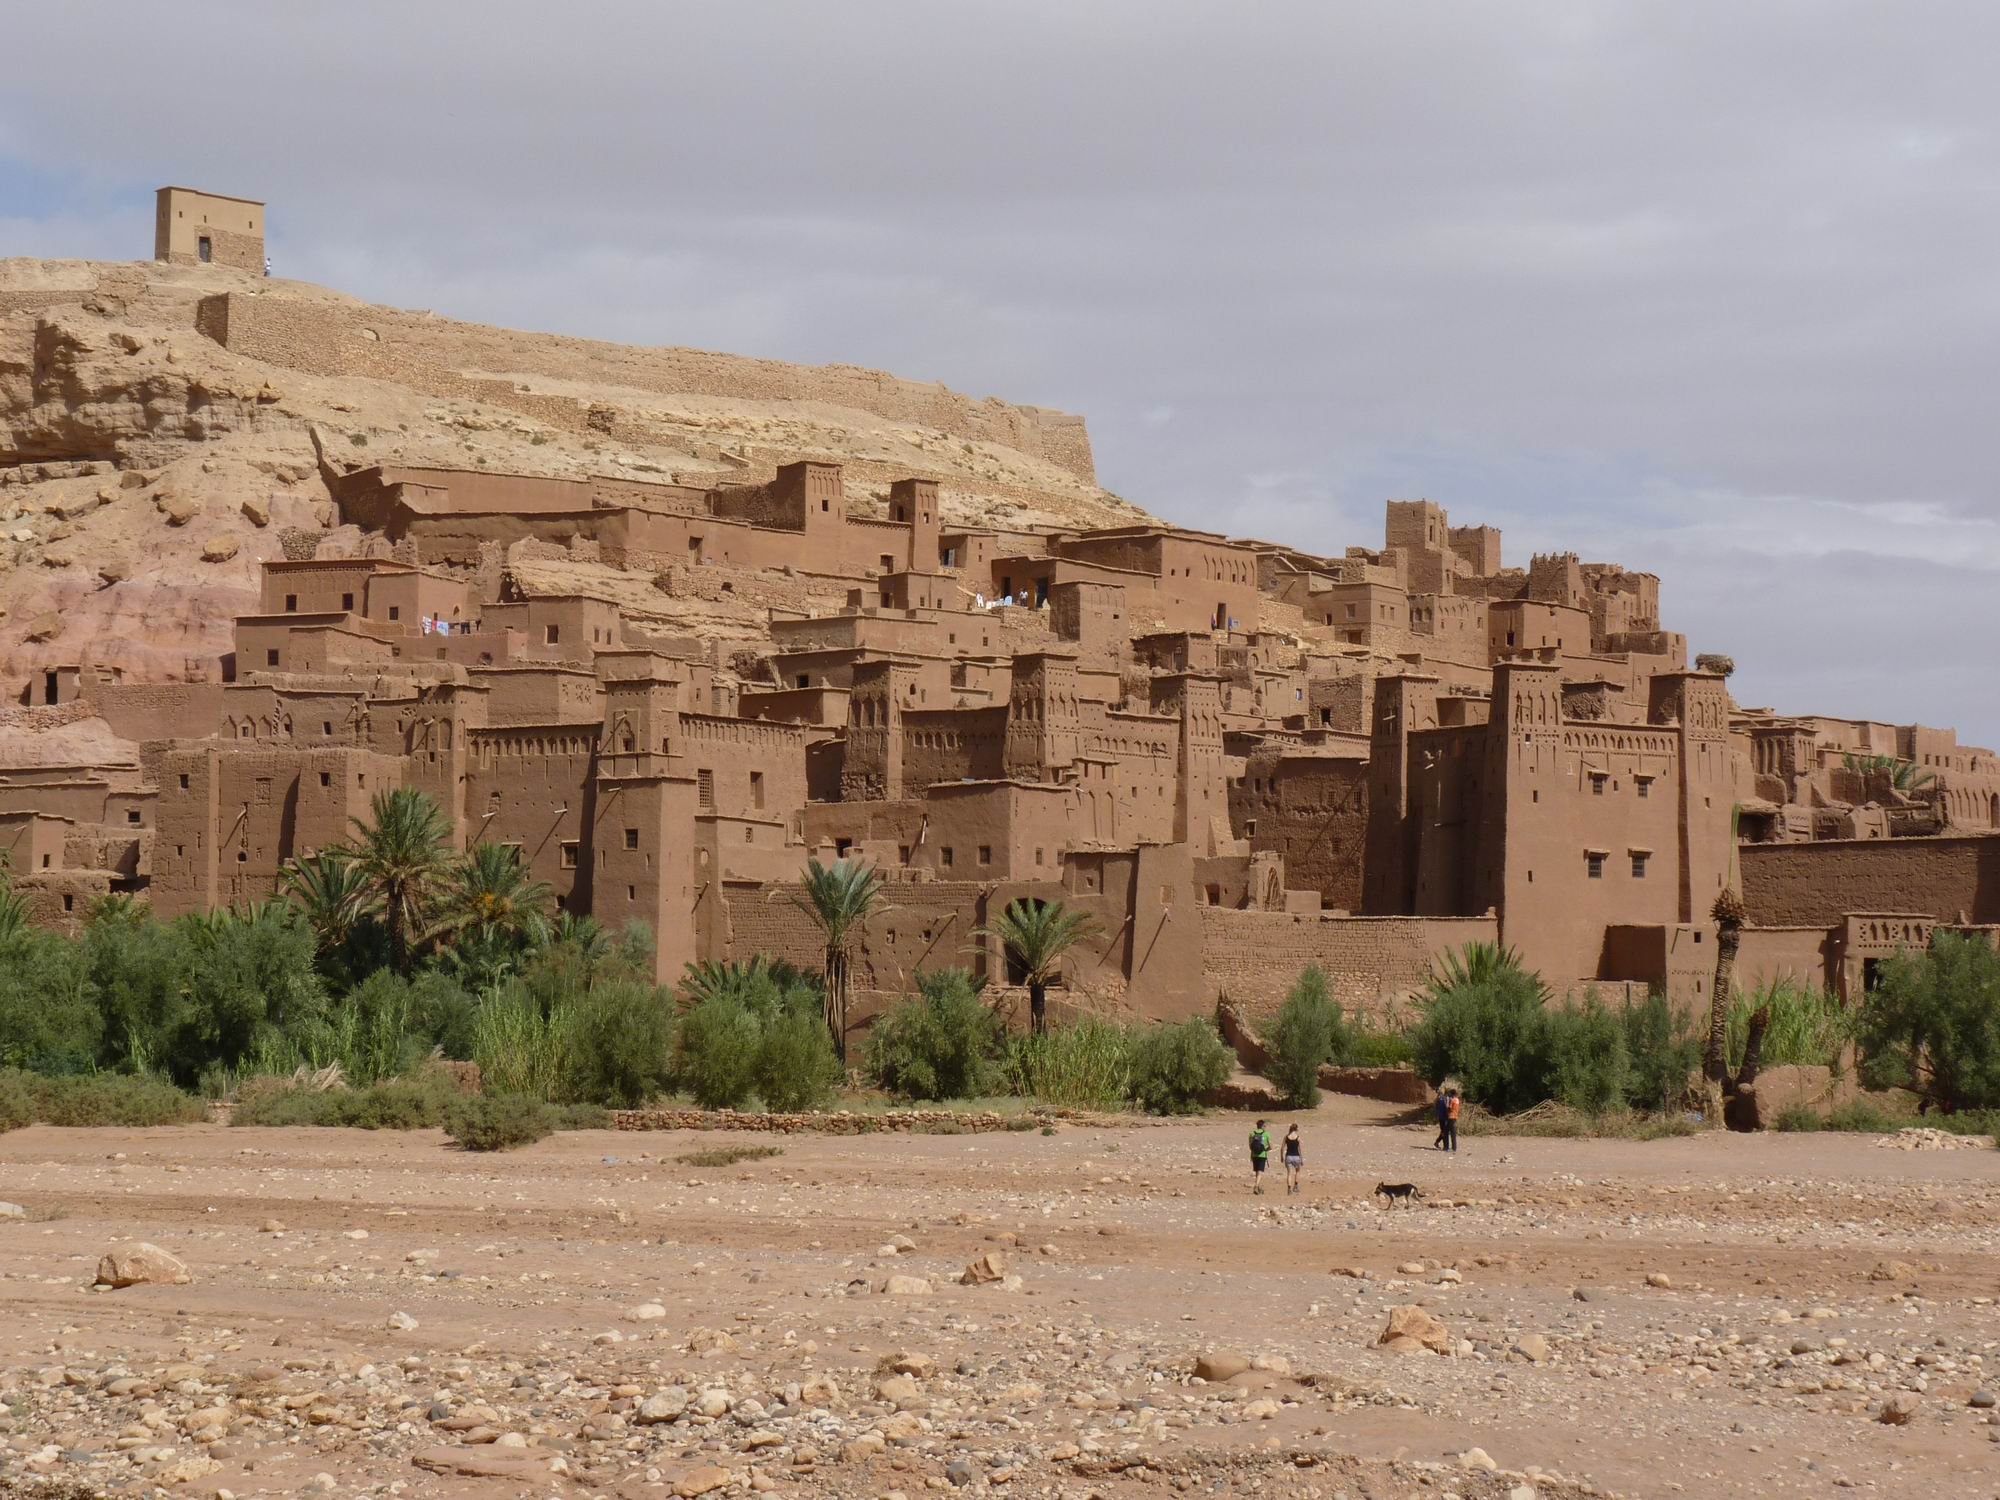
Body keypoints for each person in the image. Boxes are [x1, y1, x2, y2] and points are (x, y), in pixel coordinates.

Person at [1248, 1119, 1271, 1194]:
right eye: (1265, 1126)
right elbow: (1271, 1146)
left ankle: (1258, 1188)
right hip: (1262, 1155)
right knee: (1260, 1172)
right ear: (1262, 1126)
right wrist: (1265, 1150)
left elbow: (1250, 1146)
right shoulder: (1266, 1134)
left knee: (1257, 1172)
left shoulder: (1252, 1133)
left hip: (1254, 1154)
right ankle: (1256, 1186)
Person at [1281, 1124, 1303, 1196]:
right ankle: (1296, 1186)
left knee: (1289, 1173)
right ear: (1296, 1129)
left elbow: (1282, 1148)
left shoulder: (1286, 1137)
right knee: (1297, 1171)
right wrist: (1301, 1158)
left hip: (1288, 1156)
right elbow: (1299, 1149)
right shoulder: (1298, 1137)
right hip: (1296, 1156)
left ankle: (1289, 1189)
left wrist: (1282, 1157)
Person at [1444, 1087, 1461, 1153]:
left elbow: (1449, 1108)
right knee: (1453, 1133)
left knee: (1447, 1132)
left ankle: (1448, 1147)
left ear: (1452, 1094)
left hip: (1451, 1117)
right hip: (1455, 1117)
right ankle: (1454, 1147)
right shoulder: (1457, 1100)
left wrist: (1447, 1108)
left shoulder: (1453, 1100)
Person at [1433, 1086, 1450, 1150]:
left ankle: (1439, 1143)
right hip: (1444, 1117)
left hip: (1440, 1117)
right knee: (1444, 1131)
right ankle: (1443, 1145)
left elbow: (1436, 1108)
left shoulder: (1439, 1099)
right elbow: (1446, 1108)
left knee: (1443, 1131)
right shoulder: (1444, 1099)